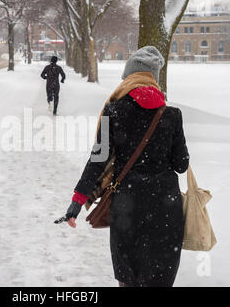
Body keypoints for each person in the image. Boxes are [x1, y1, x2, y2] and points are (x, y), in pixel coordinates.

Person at [62, 46, 189, 287]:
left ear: (128, 78)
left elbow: (97, 160)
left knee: (130, 280)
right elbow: (181, 164)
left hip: (128, 208)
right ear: (153, 78)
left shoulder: (113, 111)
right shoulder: (172, 115)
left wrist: (77, 201)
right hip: (165, 208)